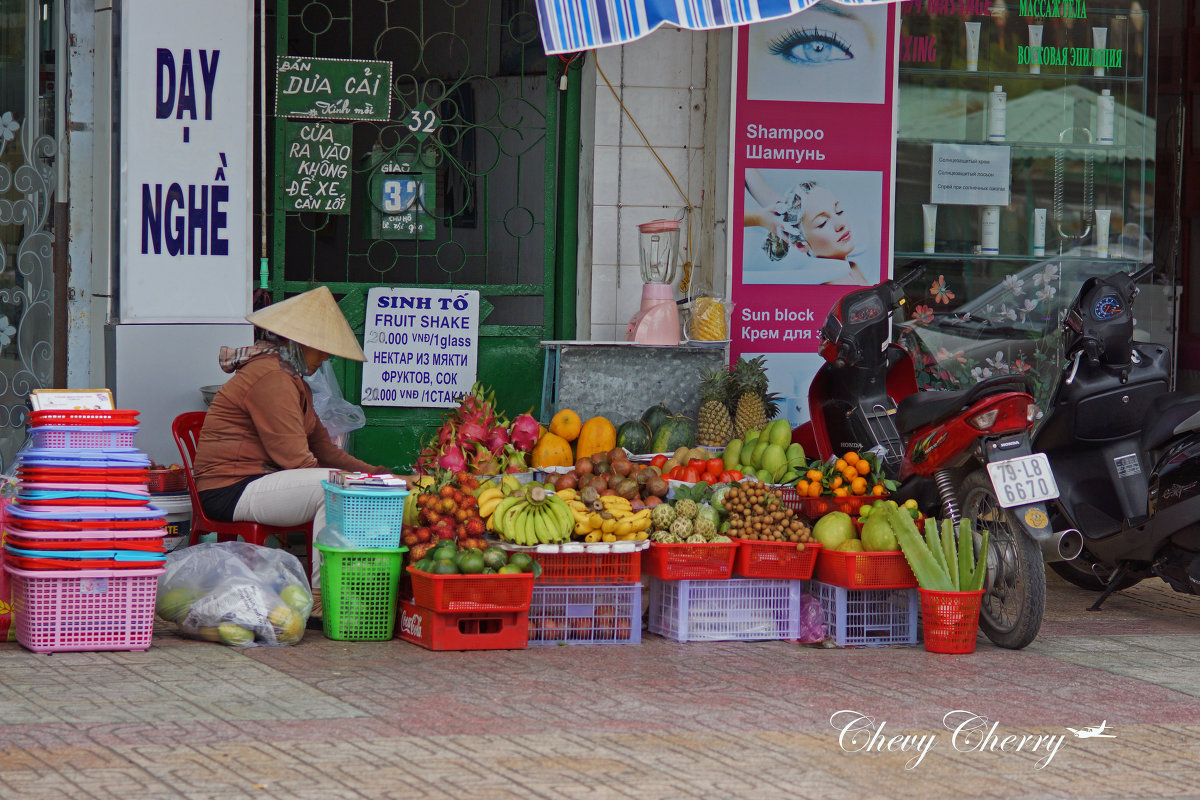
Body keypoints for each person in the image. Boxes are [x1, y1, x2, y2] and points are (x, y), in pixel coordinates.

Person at [192, 285, 388, 596]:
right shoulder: (272, 377)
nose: (324, 357)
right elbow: (297, 460)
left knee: (344, 483)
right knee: (335, 489)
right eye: (319, 348)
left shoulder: (294, 381)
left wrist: (375, 475)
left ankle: (339, 590)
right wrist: (353, 481)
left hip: (253, 484)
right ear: (297, 343)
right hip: (229, 490)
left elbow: (324, 449)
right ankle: (326, 596)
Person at [744, 170, 869, 285]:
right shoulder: (833, 278)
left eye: (839, 211)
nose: (841, 224)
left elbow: (768, 195)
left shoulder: (848, 263)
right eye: (822, 223)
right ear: (801, 245)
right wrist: (757, 218)